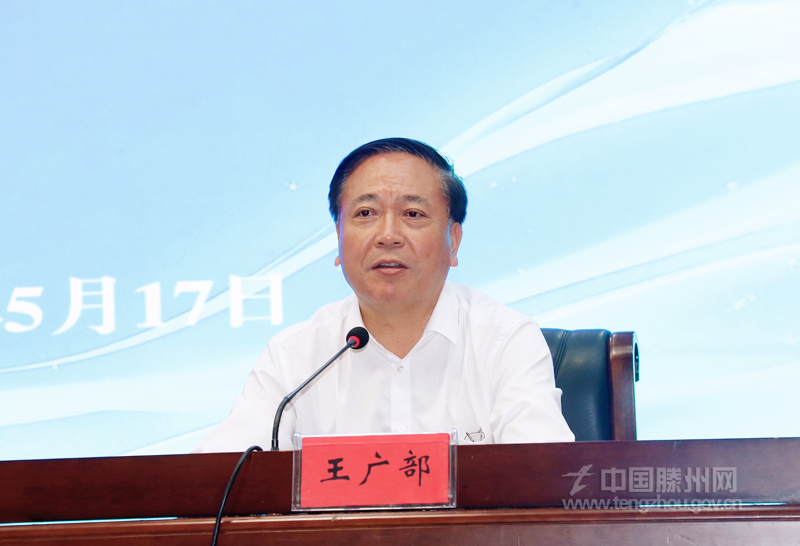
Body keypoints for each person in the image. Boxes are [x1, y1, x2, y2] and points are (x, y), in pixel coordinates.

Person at [194, 138, 574, 452]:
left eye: (413, 214)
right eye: (365, 214)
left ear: (453, 241)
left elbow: (546, 480)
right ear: (338, 240)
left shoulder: (505, 342)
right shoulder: (296, 357)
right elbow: (214, 483)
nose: (388, 235)